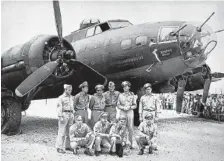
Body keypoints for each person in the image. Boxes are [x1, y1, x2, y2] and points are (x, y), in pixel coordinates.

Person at [117, 81, 137, 149]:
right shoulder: (120, 95)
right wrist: (123, 108)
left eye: (126, 86)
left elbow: (135, 105)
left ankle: (130, 144)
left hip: (130, 112)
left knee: (130, 128)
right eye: (123, 87)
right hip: (123, 112)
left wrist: (130, 107)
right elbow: (118, 105)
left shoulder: (132, 95)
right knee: (122, 127)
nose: (125, 88)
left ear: (129, 87)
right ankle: (122, 143)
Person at [56, 84, 74, 154]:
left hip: (71, 115)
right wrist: (60, 116)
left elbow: (73, 106)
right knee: (62, 132)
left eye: (71, 90)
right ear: (65, 89)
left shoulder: (72, 97)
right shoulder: (61, 97)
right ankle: (59, 147)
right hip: (64, 114)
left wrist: (73, 114)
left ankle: (68, 146)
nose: (70, 91)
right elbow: (59, 107)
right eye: (69, 90)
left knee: (70, 131)